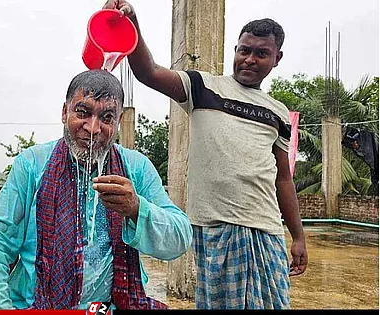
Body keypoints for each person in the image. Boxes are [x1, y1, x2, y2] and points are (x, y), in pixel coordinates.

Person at [102, 0, 308, 309]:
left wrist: (298, 236)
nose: (249, 60)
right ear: (235, 50)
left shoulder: (277, 113)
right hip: (214, 228)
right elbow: (149, 72)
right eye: (243, 50)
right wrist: (132, 24)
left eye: (261, 54)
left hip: (266, 229)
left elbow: (283, 179)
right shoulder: (203, 87)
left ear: (276, 58)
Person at [0, 69, 193, 310]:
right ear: (65, 112)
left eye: (107, 117)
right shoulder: (32, 165)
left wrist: (137, 209)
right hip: (35, 305)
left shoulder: (136, 169)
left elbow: (180, 239)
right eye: (83, 112)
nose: (93, 127)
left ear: (118, 122)